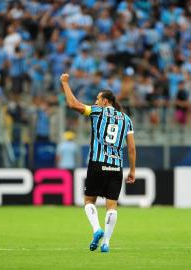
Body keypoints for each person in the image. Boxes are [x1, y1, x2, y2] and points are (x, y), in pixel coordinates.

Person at [60, 73, 136, 253]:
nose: (95, 102)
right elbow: (131, 149)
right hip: (116, 166)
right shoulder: (126, 120)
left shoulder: (97, 112)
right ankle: (107, 243)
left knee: (88, 201)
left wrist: (64, 83)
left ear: (105, 101)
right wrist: (132, 170)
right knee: (112, 206)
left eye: (97, 99)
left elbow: (73, 104)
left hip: (97, 163)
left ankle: (97, 229)